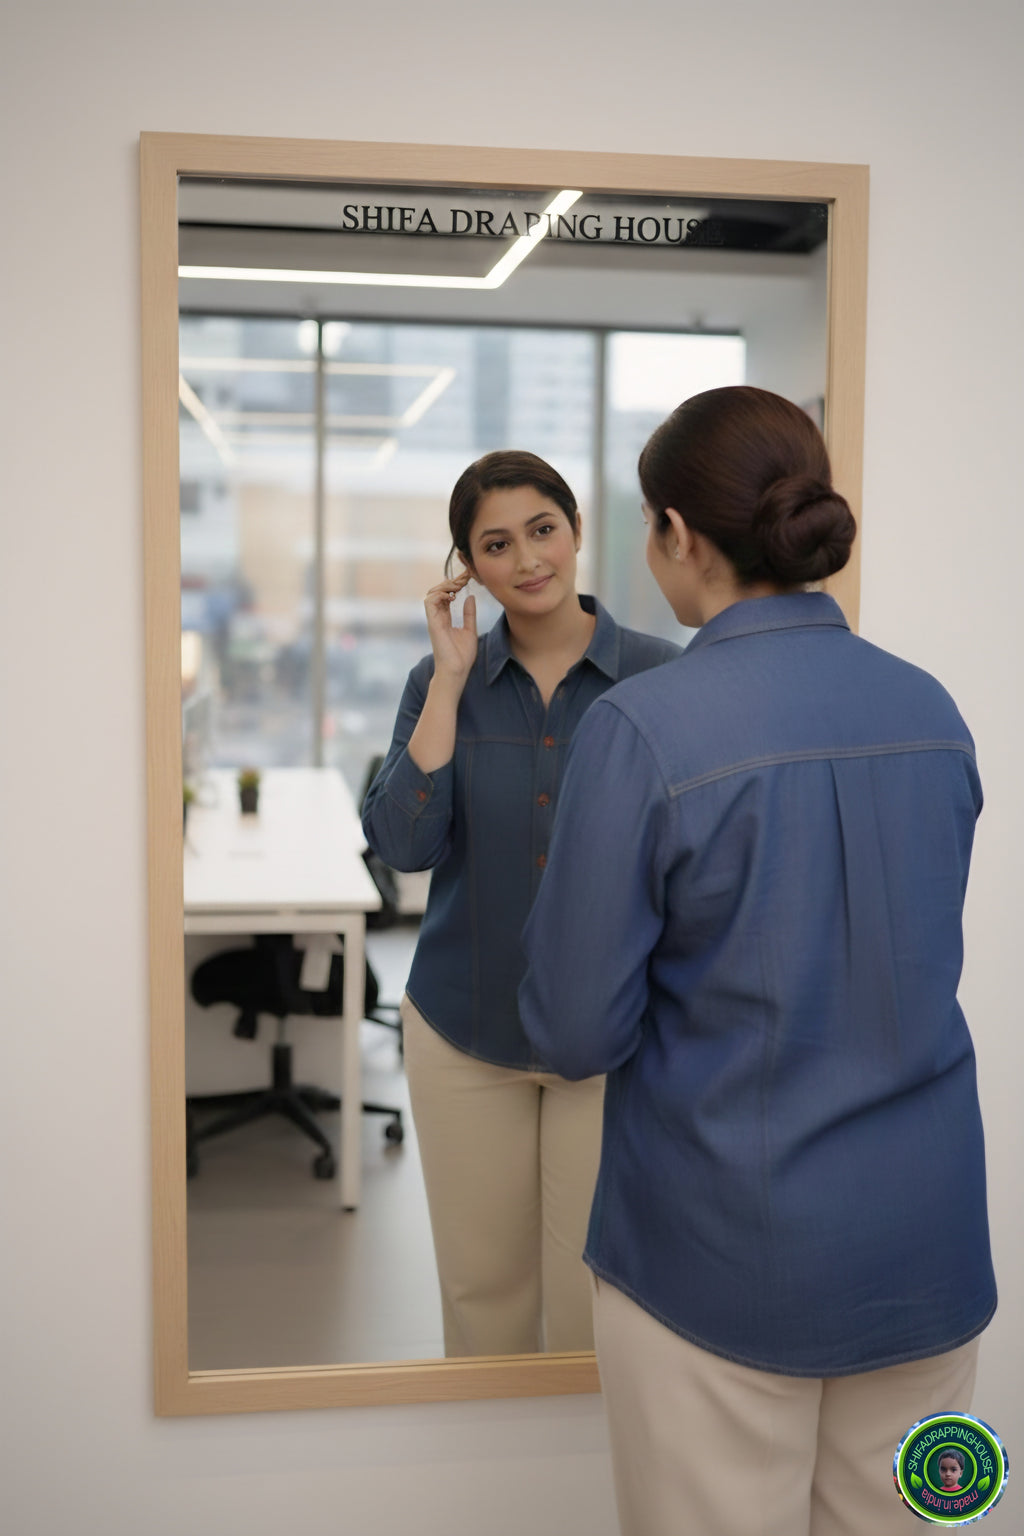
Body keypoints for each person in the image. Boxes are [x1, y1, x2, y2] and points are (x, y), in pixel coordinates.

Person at [518, 387, 996, 1535]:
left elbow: (573, 1031)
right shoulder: (931, 710)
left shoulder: (641, 727)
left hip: (715, 1258)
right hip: (928, 1254)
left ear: (678, 533)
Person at [362, 449, 681, 1358]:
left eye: (543, 530)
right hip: (464, 1030)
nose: (528, 559)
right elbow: (403, 847)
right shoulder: (439, 685)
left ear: (577, 530)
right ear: (468, 567)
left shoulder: (664, 679)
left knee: (596, 1308)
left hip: (612, 1040)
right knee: (481, 1300)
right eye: (496, 545)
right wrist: (453, 678)